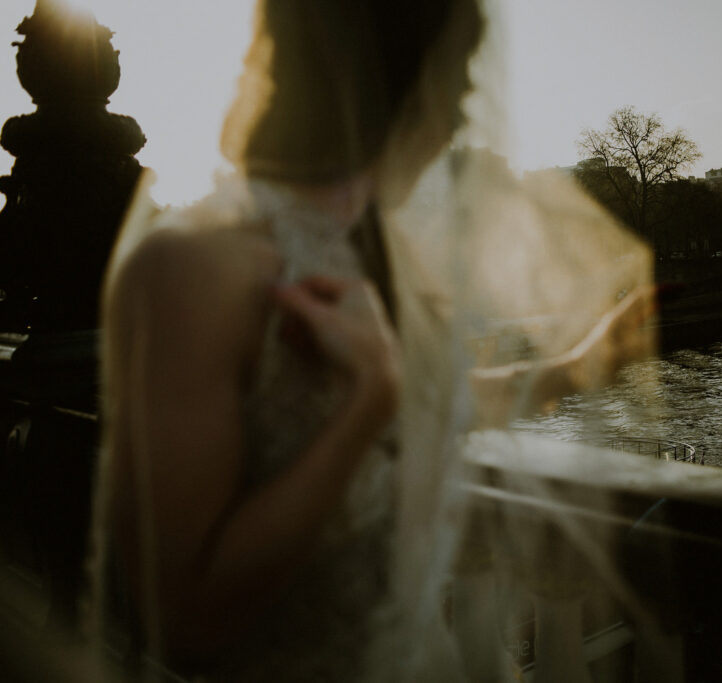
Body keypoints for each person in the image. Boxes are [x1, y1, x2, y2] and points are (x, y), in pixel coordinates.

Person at [87, 0, 655, 680]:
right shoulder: (192, 270)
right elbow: (182, 614)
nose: (463, 110)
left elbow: (439, 402)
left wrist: (584, 362)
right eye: (459, 73)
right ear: (393, 78)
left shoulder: (384, 253)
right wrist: (366, 407)